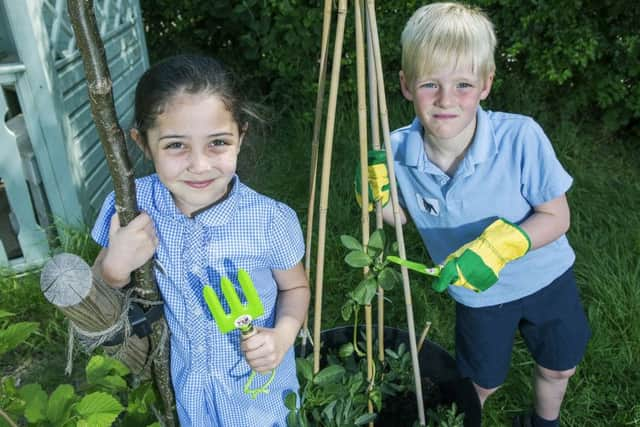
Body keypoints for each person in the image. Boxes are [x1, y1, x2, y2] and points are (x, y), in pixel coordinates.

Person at [359, 3, 590, 426]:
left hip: (547, 278)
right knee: (479, 382)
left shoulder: (521, 136)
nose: (446, 100)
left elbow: (556, 217)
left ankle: (543, 422)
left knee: (559, 367)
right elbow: (399, 218)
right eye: (430, 84)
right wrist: (376, 199)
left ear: (486, 84)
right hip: (477, 296)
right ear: (406, 85)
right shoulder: (396, 152)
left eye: (463, 84)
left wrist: (495, 248)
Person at [91, 54, 310, 426]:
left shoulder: (270, 220)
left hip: (258, 394)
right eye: (176, 145)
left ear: (240, 135)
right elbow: (99, 282)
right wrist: (114, 268)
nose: (199, 165)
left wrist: (283, 336)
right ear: (143, 144)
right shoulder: (130, 207)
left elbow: (296, 288)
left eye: (218, 143)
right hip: (187, 393)